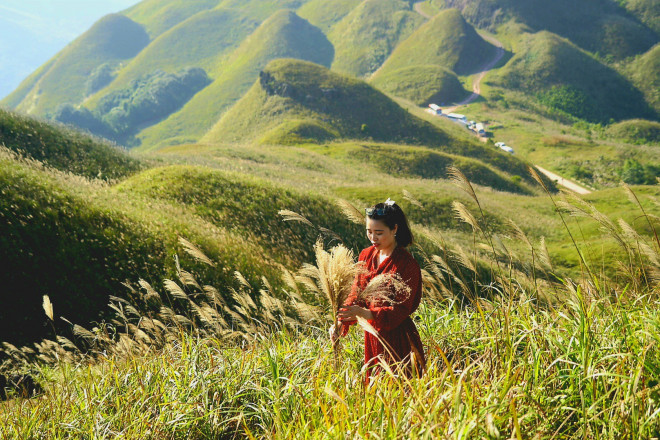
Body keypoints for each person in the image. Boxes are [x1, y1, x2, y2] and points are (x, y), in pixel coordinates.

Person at [334, 198, 426, 383]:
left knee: (399, 394)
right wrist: (339, 322)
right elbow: (356, 294)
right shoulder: (366, 255)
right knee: (376, 396)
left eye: (379, 232)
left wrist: (366, 314)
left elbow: (401, 310)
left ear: (395, 229)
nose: (372, 238)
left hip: (399, 342)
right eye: (369, 231)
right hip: (373, 338)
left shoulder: (407, 265)